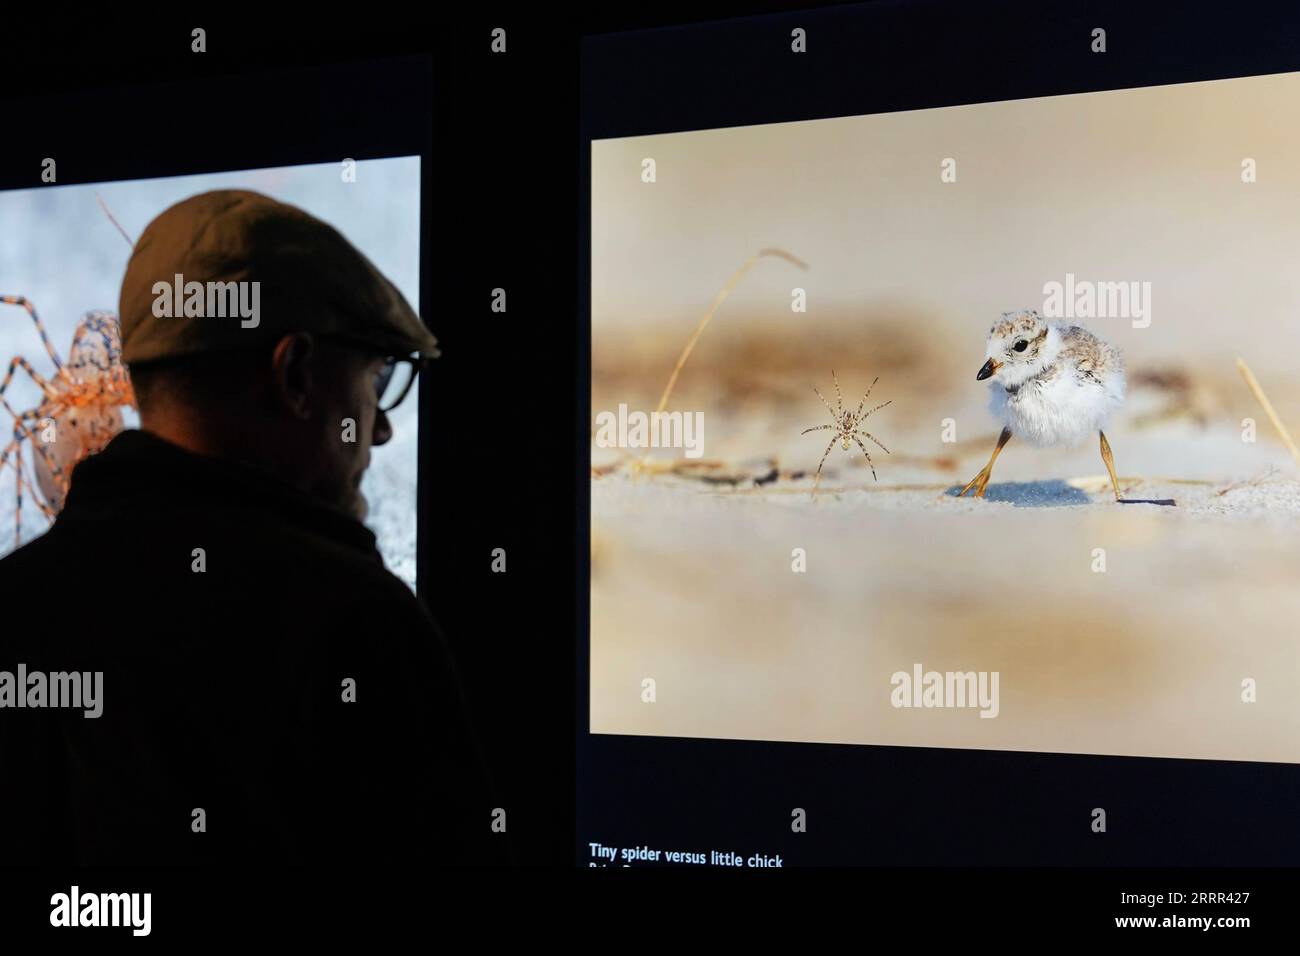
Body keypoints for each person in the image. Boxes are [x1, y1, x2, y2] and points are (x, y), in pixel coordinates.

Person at [0, 190, 503, 866]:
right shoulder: (361, 628)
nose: (380, 427)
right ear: (296, 374)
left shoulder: (16, 603)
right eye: (376, 381)